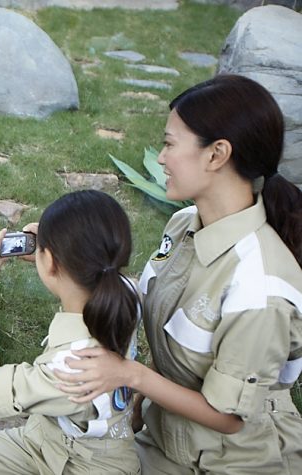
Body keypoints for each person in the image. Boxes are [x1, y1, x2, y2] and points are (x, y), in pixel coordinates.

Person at [55, 74, 302, 474]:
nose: (161, 157)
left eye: (170, 144)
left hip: (229, 462)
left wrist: (129, 376)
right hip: (162, 435)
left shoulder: (260, 288)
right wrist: (64, 255)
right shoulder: (185, 224)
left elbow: (229, 418)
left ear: (217, 154)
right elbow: (146, 300)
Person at [0, 190, 142, 474]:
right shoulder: (127, 292)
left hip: (83, 465)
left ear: (51, 263)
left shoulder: (71, 365)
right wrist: (51, 252)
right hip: (48, 440)